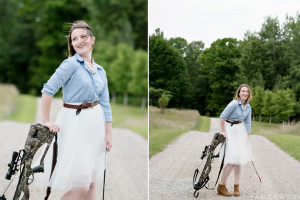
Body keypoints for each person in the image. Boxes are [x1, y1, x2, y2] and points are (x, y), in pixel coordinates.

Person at [40, 20, 112, 200]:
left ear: (92, 39)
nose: (79, 41)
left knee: (92, 183)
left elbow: (105, 104)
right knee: (81, 185)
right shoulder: (70, 64)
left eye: (83, 37)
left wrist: (108, 133)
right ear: (71, 44)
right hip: (75, 123)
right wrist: (47, 120)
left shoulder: (101, 70)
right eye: (74, 39)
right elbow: (48, 90)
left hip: (95, 126)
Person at [217, 84, 253, 197]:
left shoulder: (248, 107)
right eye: (243, 91)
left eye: (247, 91)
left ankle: (236, 186)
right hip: (230, 131)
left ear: (249, 94)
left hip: (240, 131)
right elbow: (222, 117)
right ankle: (221, 186)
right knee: (233, 159)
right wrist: (223, 131)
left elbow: (247, 123)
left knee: (240, 160)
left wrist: (247, 136)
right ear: (239, 93)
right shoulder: (233, 103)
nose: (245, 93)